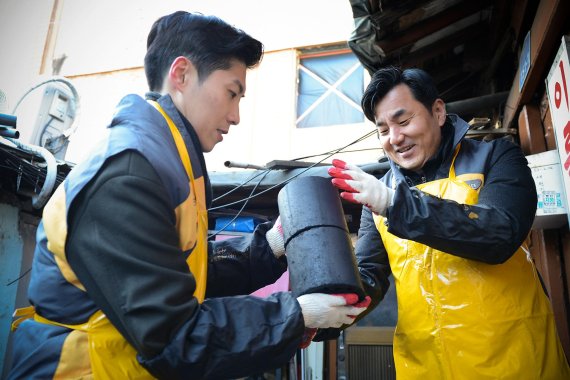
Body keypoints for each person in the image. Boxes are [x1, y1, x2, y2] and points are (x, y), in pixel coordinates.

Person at [7, 11, 370, 379]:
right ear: (181, 75)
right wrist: (296, 315)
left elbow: (182, 274)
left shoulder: (168, 160)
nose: (236, 115)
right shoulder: (129, 172)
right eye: (232, 93)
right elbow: (173, 336)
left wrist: (271, 246)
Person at [328, 66, 570, 379]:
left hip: (514, 358)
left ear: (438, 112)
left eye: (403, 121)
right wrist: (325, 311)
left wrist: (394, 204)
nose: (395, 138)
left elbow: (500, 235)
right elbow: (369, 277)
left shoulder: (496, 157)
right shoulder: (377, 196)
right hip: (426, 366)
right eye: (383, 130)